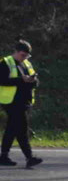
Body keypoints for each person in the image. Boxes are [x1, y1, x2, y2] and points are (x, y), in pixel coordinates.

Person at [0, 39, 41, 167]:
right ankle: (29, 157)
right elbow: (2, 80)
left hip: (24, 101)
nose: (24, 58)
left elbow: (35, 82)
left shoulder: (27, 64)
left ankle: (3, 156)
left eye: (27, 56)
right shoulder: (5, 63)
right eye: (23, 55)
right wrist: (21, 80)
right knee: (22, 129)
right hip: (11, 102)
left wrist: (32, 81)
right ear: (16, 52)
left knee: (12, 129)